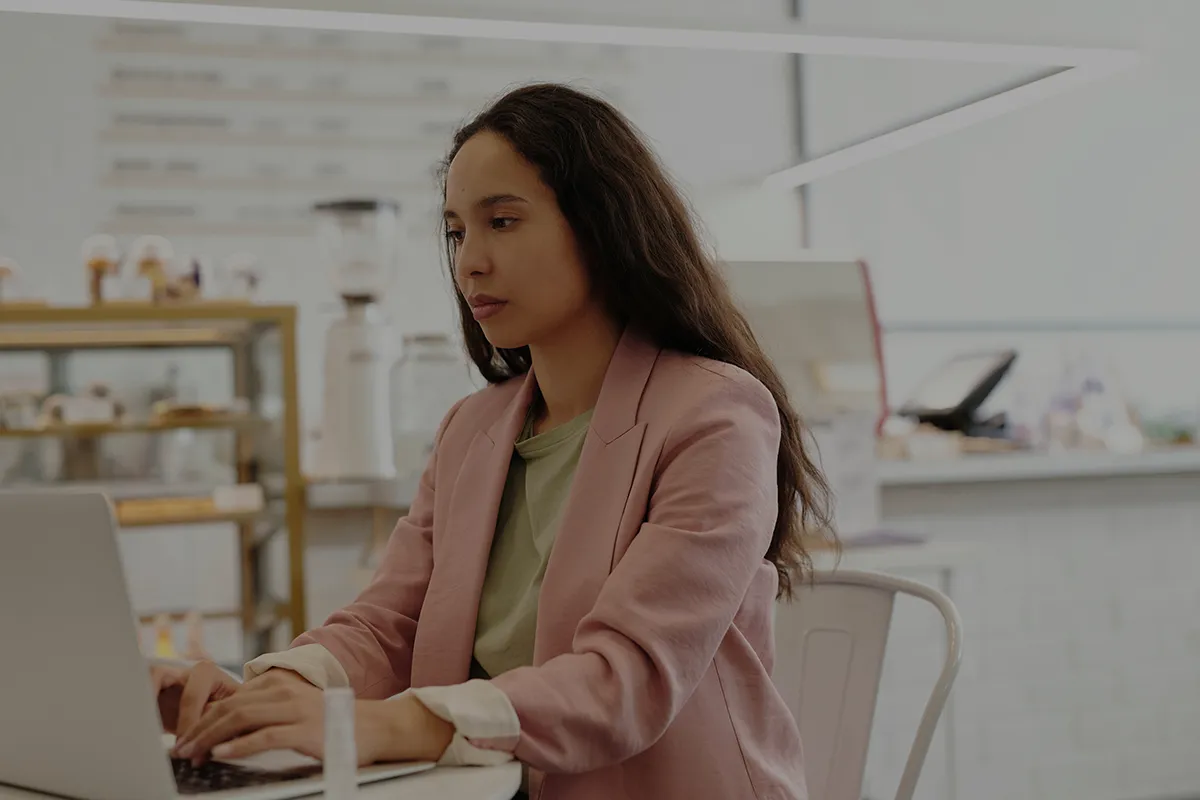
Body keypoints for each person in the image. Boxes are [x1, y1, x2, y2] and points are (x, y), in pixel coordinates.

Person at [154, 82, 833, 800]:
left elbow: (625, 678)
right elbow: (390, 623)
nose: (469, 261)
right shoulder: (470, 431)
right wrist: (268, 693)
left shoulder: (715, 417)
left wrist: (388, 724)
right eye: (456, 232)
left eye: (502, 222)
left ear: (602, 227)